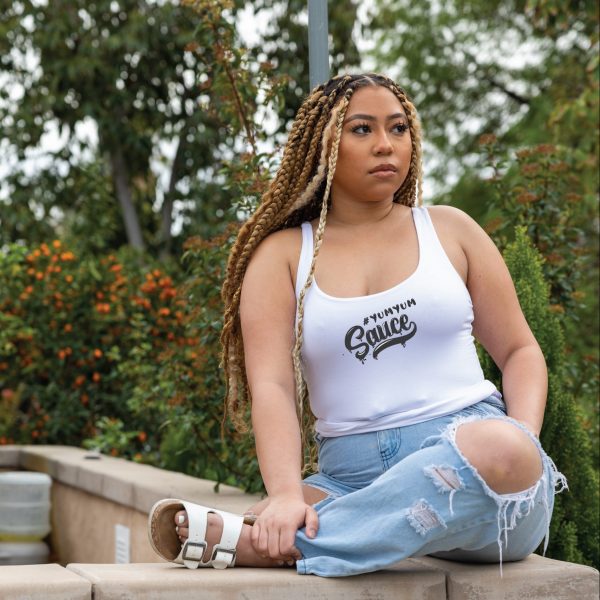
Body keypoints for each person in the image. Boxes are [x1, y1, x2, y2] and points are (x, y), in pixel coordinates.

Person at [148, 73, 566, 577]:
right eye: (362, 129)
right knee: (271, 514)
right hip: (351, 478)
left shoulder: (451, 231)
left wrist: (523, 441)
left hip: (474, 463)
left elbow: (521, 351)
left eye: (398, 129)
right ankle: (333, 531)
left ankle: (285, 544)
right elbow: (274, 387)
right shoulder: (281, 257)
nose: (385, 145)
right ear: (323, 145)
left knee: (503, 446)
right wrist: (283, 495)